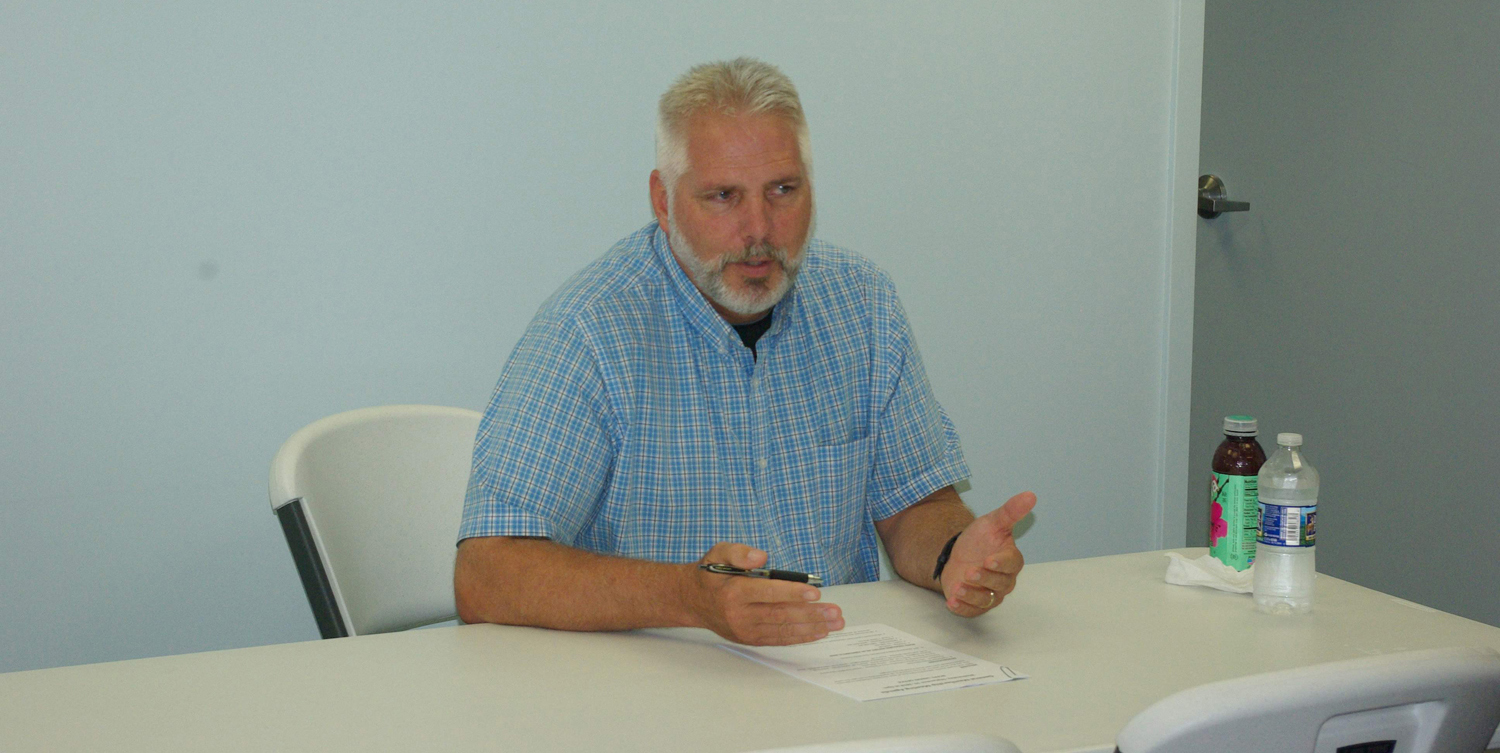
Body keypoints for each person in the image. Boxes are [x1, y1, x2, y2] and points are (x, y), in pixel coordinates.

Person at [454, 57, 1036, 646]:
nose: (759, 228)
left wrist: (954, 555)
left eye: (783, 190)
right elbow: (486, 573)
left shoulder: (862, 303)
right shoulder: (590, 330)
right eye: (723, 196)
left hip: (835, 663)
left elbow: (913, 506)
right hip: (655, 673)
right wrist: (688, 597)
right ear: (663, 201)